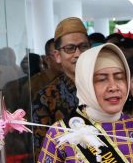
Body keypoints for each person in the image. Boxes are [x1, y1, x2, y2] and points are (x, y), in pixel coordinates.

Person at [31, 17, 90, 155]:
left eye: (83, 47)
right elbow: (42, 151)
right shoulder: (45, 98)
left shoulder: (107, 86)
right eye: (70, 48)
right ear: (57, 56)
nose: (78, 54)